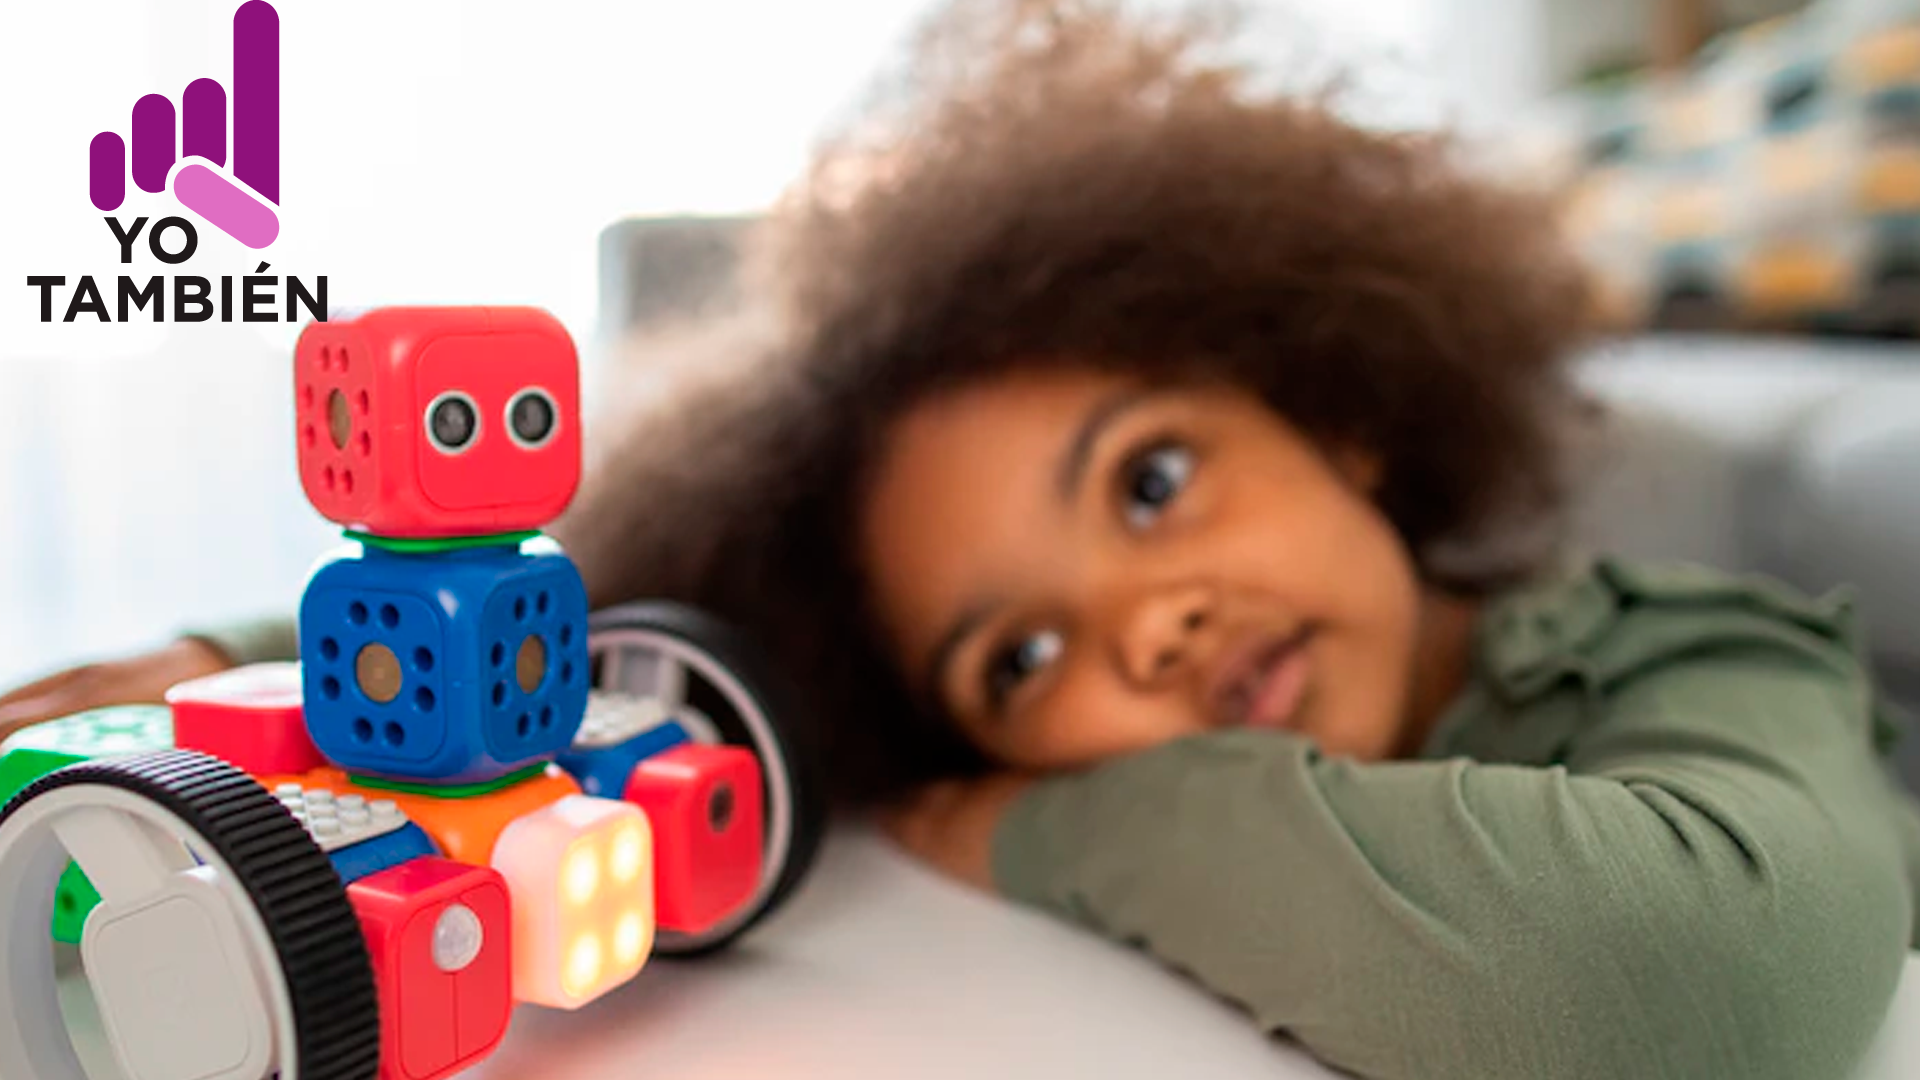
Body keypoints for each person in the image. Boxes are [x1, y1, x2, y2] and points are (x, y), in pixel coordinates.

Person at [5, 3, 1918, 1078]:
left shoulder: (1686, 649)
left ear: (1328, 397)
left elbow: (1694, 979)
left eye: (1153, 479)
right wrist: (251, 658)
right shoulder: (847, 709)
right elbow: (603, 656)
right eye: (1018, 664)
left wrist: (1028, 821)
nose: (1146, 631)